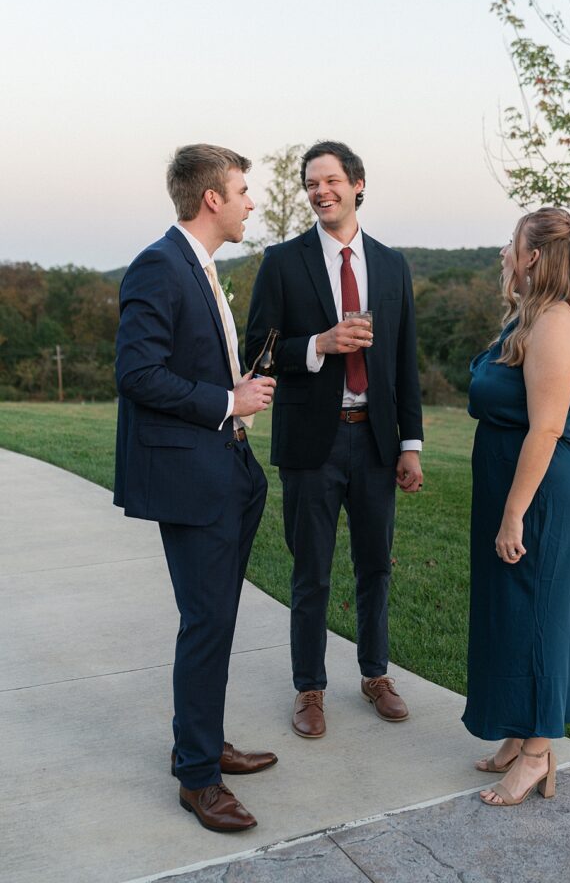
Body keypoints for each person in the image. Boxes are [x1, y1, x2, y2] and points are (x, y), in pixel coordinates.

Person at [114, 144, 277, 832]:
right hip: (191, 477)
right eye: (242, 191)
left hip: (229, 469)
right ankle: (198, 778)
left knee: (217, 620)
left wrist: (237, 395)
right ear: (212, 198)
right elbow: (137, 373)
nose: (250, 203)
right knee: (207, 623)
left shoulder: (202, 267)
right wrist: (227, 401)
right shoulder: (160, 265)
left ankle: (202, 742)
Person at [246, 140, 424, 738]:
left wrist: (410, 444)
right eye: (311, 184)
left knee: (375, 567)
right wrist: (318, 345)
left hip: (375, 442)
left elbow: (405, 361)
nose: (320, 192)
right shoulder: (282, 261)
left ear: (357, 184)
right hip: (310, 446)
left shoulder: (392, 265)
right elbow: (258, 352)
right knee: (312, 573)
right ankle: (310, 687)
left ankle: (376, 675)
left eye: (330, 181)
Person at [464, 207, 570, 806]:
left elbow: (546, 429)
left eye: (511, 243)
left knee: (541, 616)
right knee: (511, 613)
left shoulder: (556, 324)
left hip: (539, 494)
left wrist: (514, 512)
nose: (504, 252)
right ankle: (520, 728)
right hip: (514, 486)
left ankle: (538, 754)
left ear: (534, 255)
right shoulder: (528, 317)